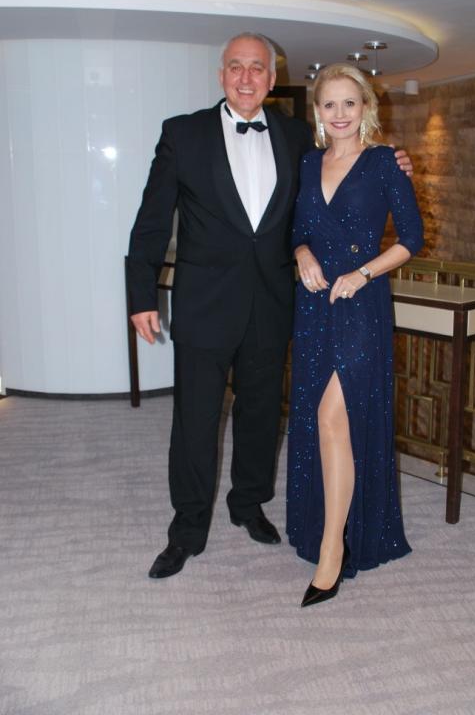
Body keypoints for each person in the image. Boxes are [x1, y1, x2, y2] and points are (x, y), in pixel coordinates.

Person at [128, 34, 413, 580]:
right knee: (195, 420)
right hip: (205, 304)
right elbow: (152, 219)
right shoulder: (182, 133)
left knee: (260, 412)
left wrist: (394, 159)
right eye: (235, 67)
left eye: (256, 68)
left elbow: (340, 177)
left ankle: (248, 503)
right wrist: (142, 295)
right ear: (221, 74)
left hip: (274, 303)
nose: (246, 77)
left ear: (271, 76)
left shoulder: (296, 136)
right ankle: (187, 527)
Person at [287, 62, 424, 607]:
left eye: (350, 102)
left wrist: (364, 272)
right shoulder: (307, 162)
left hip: (361, 305)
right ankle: (332, 531)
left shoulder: (384, 162)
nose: (340, 113)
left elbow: (411, 238)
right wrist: (301, 252)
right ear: (317, 111)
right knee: (324, 425)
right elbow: (298, 228)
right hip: (315, 306)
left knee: (332, 416)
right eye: (330, 104)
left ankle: (331, 552)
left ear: (365, 107)